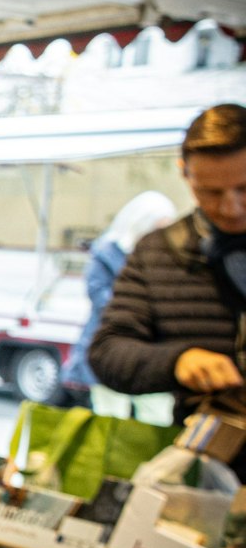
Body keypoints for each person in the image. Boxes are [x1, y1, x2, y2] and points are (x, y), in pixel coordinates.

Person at [91, 104, 246, 429]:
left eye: (244, 189)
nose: (230, 208)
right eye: (210, 192)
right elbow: (108, 352)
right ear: (185, 172)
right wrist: (177, 360)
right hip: (203, 463)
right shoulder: (157, 251)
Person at [62, 191, 181, 419]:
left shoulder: (169, 257)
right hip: (112, 350)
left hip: (152, 355)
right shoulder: (107, 253)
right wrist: (144, 311)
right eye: (157, 227)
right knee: (110, 418)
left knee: (157, 417)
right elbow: (99, 296)